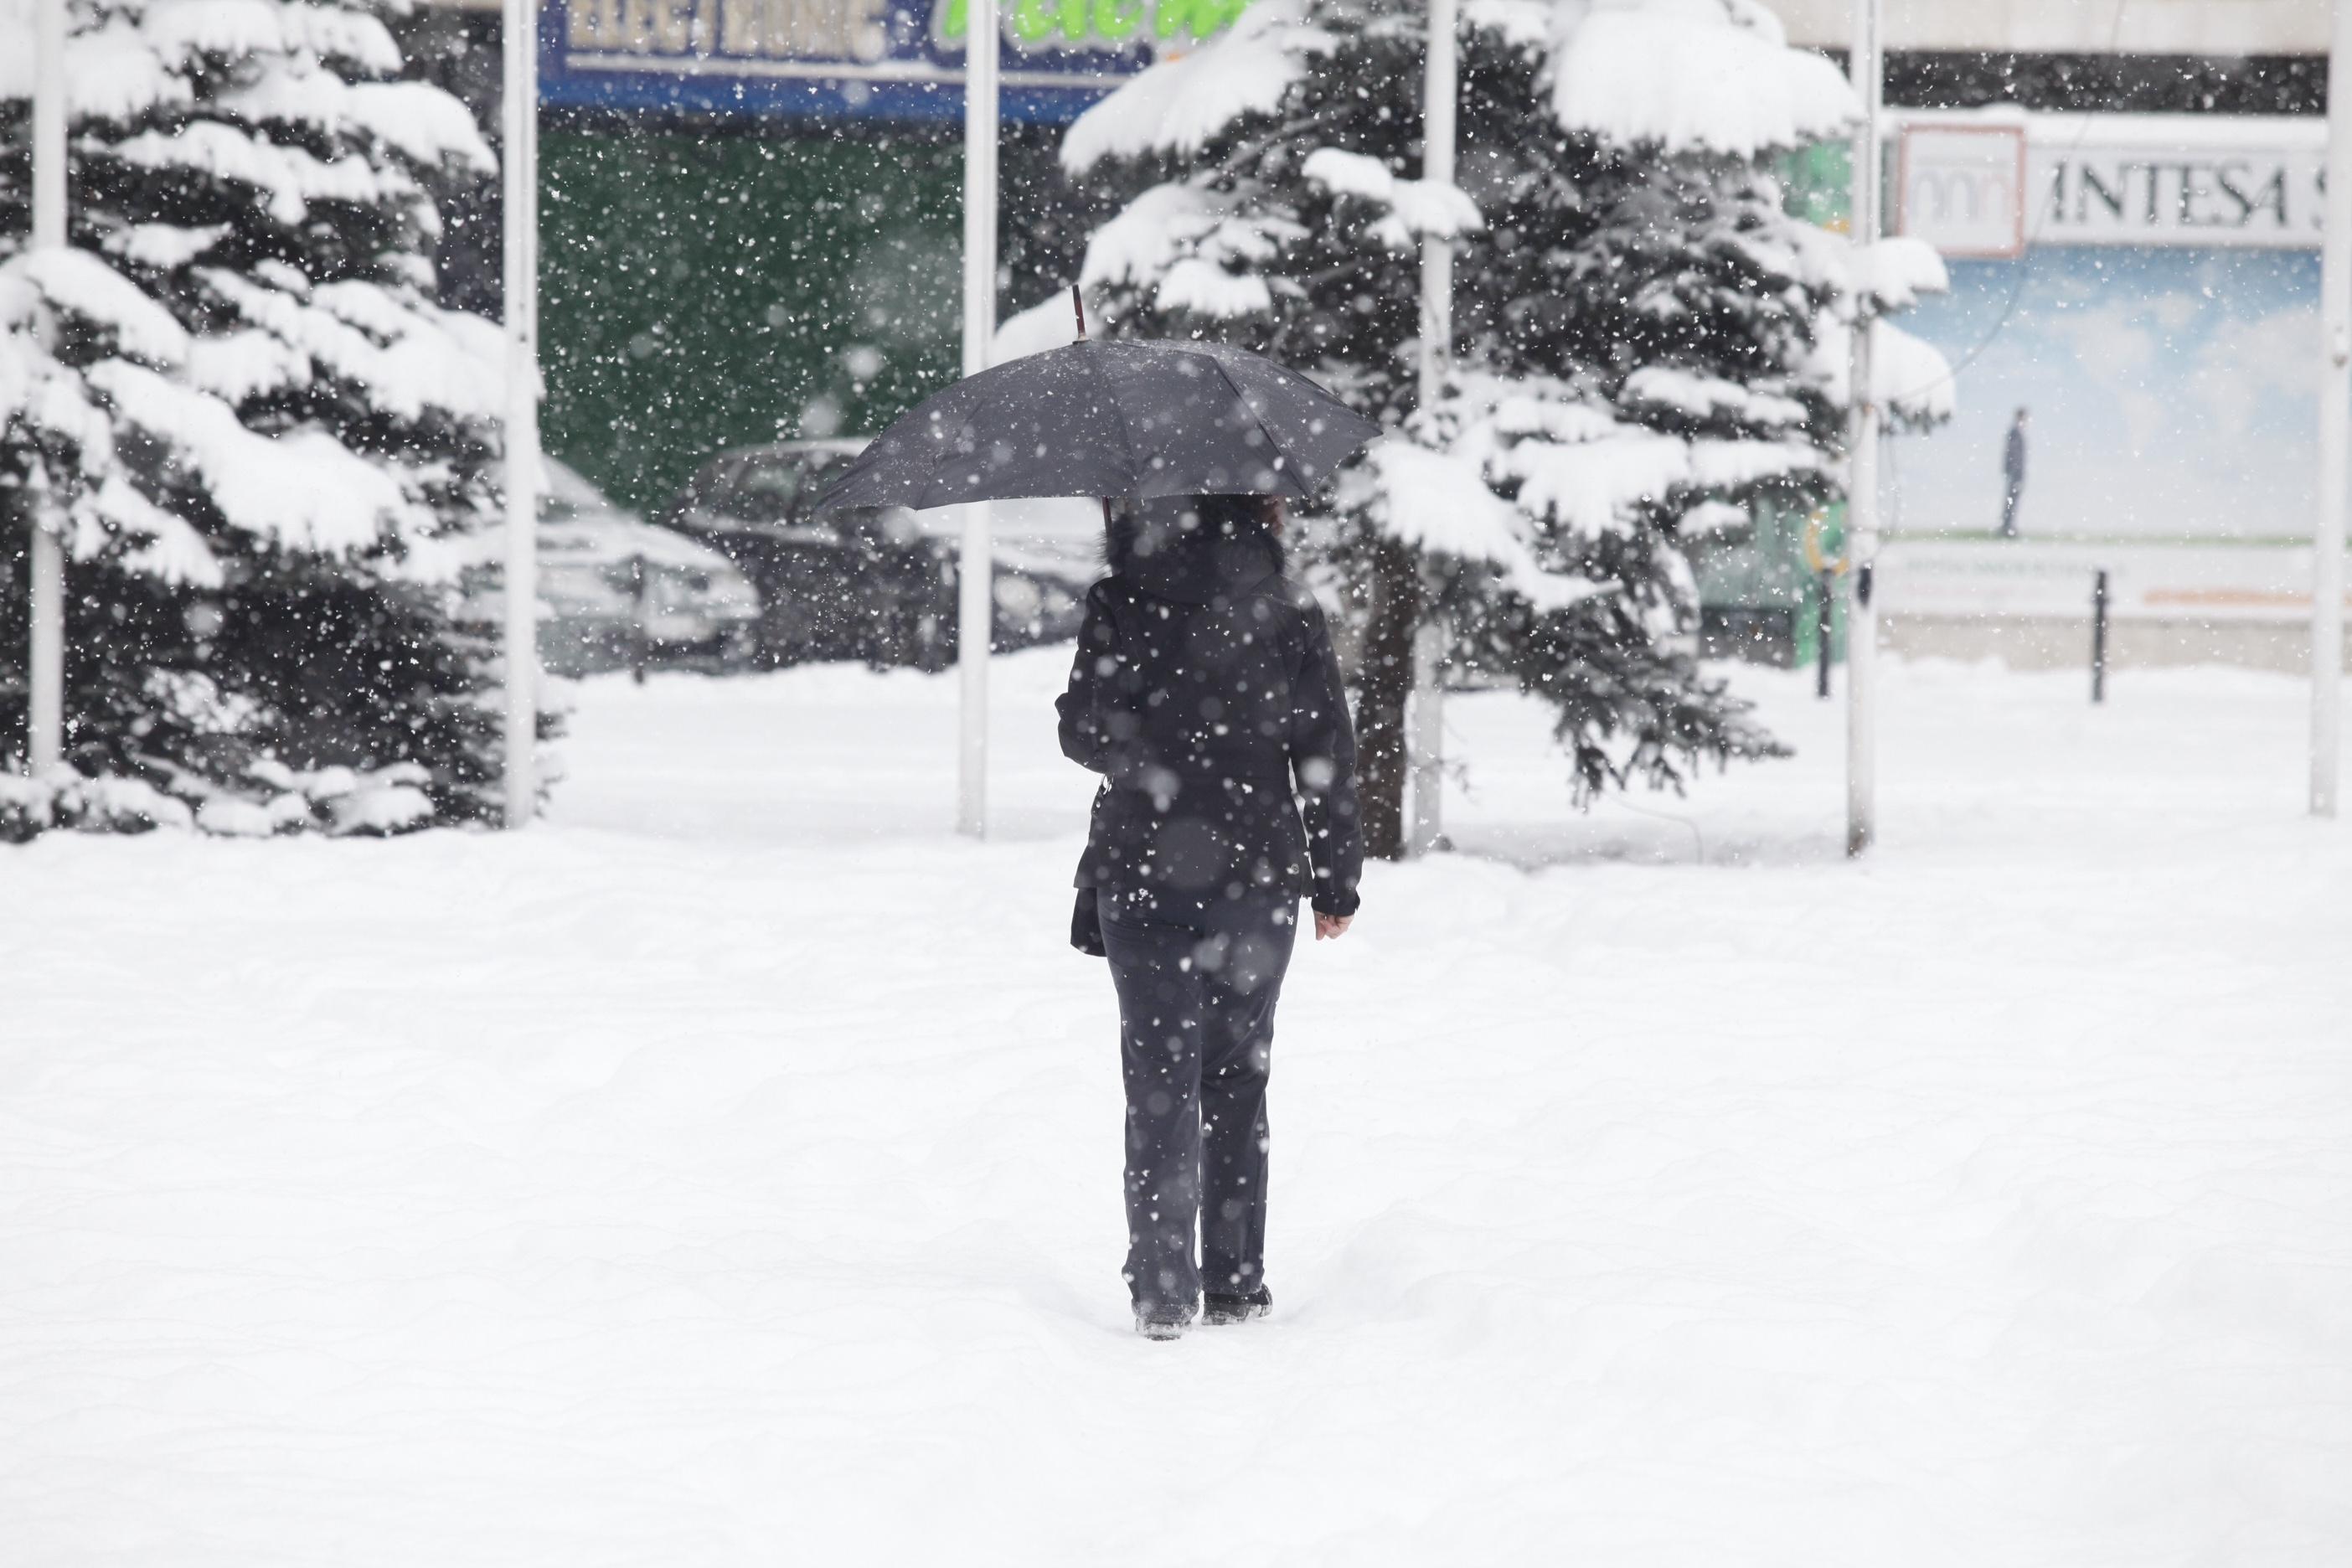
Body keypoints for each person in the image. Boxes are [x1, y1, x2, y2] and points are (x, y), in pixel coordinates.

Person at [1056, 493, 1363, 1341]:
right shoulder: (1288, 609)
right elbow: (1325, 754)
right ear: (1261, 506)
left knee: (1158, 1078)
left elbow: (1083, 735)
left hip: (1143, 866)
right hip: (1256, 873)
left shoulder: (1122, 600)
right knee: (1234, 1076)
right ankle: (1233, 1280)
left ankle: (1162, 1287)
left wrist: (1144, 738)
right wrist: (1336, 883)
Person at [2001, 407, 2029, 539]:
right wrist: (2014, 470)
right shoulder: (2015, 432)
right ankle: (2007, 528)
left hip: (2016, 472)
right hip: (2015, 473)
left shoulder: (2016, 432)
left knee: (2012, 500)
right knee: (2011, 501)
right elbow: (2012, 453)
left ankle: (2008, 526)